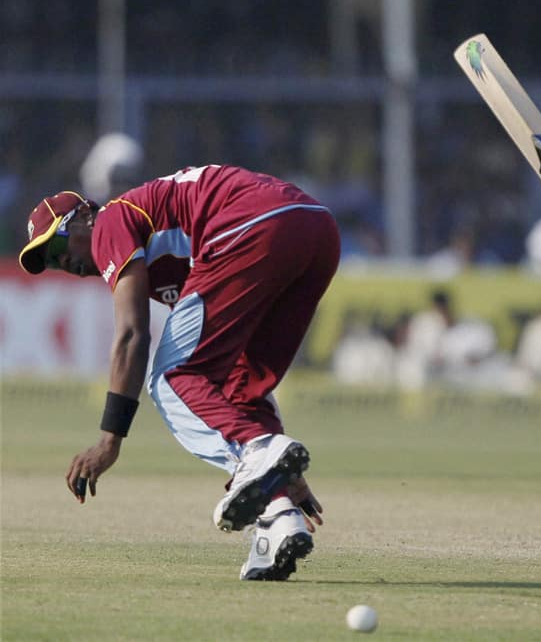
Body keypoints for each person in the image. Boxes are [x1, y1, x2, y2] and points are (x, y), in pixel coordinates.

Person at [18, 164, 340, 581]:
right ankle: (279, 517)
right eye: (52, 262)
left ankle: (261, 455)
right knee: (233, 385)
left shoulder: (110, 221)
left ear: (82, 215)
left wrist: (108, 441)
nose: (65, 263)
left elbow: (133, 335)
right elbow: (226, 380)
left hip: (254, 223)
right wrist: (286, 473)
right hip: (315, 230)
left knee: (172, 379)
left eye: (59, 247)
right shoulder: (167, 263)